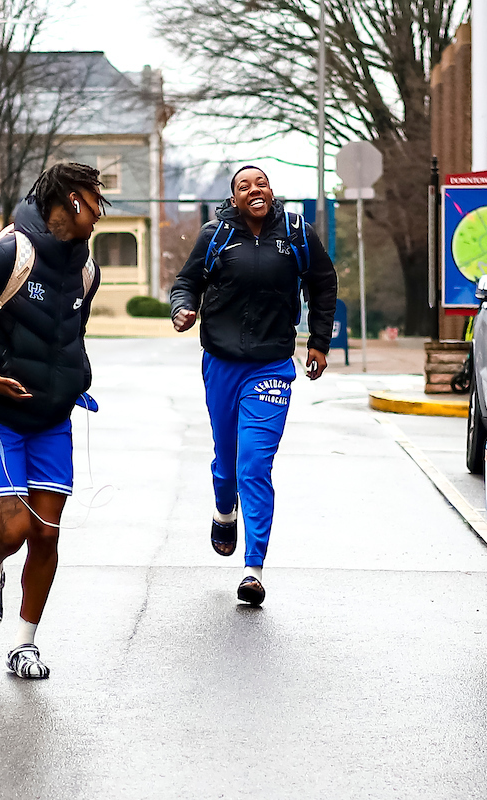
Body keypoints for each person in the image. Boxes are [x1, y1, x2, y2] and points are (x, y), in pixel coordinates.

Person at [0, 163, 107, 679]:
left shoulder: (85, 271)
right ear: (73, 202)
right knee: (13, 530)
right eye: (96, 202)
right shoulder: (6, 254)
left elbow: (71, 331)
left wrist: (78, 376)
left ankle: (24, 644)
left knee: (47, 537)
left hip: (53, 417)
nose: (99, 214)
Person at [170, 165, 337, 605]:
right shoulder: (216, 235)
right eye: (244, 186)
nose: (254, 190)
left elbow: (323, 285)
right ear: (235, 198)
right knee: (226, 464)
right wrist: (183, 310)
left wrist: (319, 342)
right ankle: (225, 509)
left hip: (271, 368)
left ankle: (253, 568)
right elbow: (186, 282)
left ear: (271, 190)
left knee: (254, 466)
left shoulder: (298, 233)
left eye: (260, 183)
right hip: (222, 365)